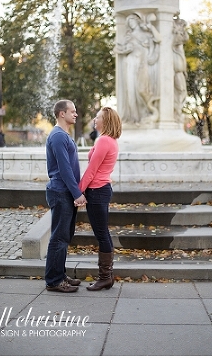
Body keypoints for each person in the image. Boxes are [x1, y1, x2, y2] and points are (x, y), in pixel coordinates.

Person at [44, 100, 86, 293]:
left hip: (64, 192)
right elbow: (64, 169)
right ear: (62, 113)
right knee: (59, 237)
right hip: (61, 191)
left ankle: (59, 274)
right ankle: (54, 280)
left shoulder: (63, 135)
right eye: (72, 111)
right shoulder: (58, 136)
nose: (75, 114)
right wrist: (77, 193)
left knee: (64, 236)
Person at [78, 107, 122, 291]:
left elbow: (91, 170)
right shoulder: (110, 140)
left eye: (98, 117)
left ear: (106, 121)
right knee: (103, 233)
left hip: (97, 190)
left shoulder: (104, 140)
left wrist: (78, 193)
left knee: (102, 234)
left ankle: (105, 277)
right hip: (101, 189)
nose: (95, 120)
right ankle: (107, 277)